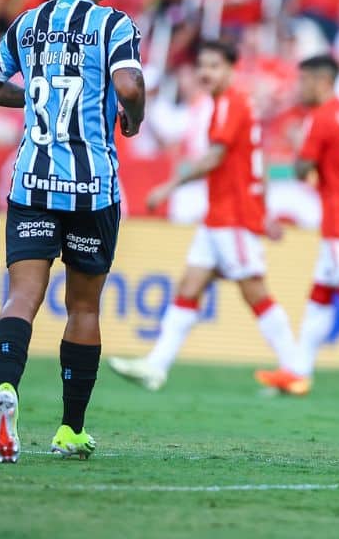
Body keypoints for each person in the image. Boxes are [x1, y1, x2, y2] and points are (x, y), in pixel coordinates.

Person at [0, 0, 147, 463]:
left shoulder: (28, 23)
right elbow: (128, 84)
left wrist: (37, 98)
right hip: (92, 189)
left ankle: (6, 391)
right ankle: (70, 428)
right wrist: (132, 117)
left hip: (32, 182)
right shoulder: (113, 24)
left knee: (21, 295)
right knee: (83, 309)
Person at [107, 40, 303, 391]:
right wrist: (266, 211)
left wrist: (170, 186)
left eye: (214, 65)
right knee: (189, 286)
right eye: (202, 65)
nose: (205, 72)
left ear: (231, 67)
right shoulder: (232, 103)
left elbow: (215, 158)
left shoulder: (231, 103)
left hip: (234, 216)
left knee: (254, 291)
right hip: (220, 215)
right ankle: (157, 365)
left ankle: (294, 369)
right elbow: (257, 162)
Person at [256, 55, 339, 399]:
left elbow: (302, 171)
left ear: (320, 81)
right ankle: (298, 373)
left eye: (303, 81)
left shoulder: (322, 118)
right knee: (320, 296)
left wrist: (294, 138)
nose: (299, 88)